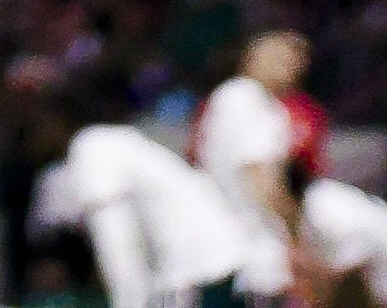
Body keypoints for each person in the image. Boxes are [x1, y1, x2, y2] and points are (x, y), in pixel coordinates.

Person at [42, 124, 275, 308]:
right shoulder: (122, 141)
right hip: (228, 264)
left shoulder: (90, 146)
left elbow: (116, 242)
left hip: (202, 272)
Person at [197, 41, 321, 267]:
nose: (290, 66)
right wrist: (295, 231)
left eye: (295, 61)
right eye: (279, 59)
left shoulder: (244, 98)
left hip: (228, 242)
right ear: (251, 59)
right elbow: (259, 176)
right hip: (247, 248)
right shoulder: (247, 98)